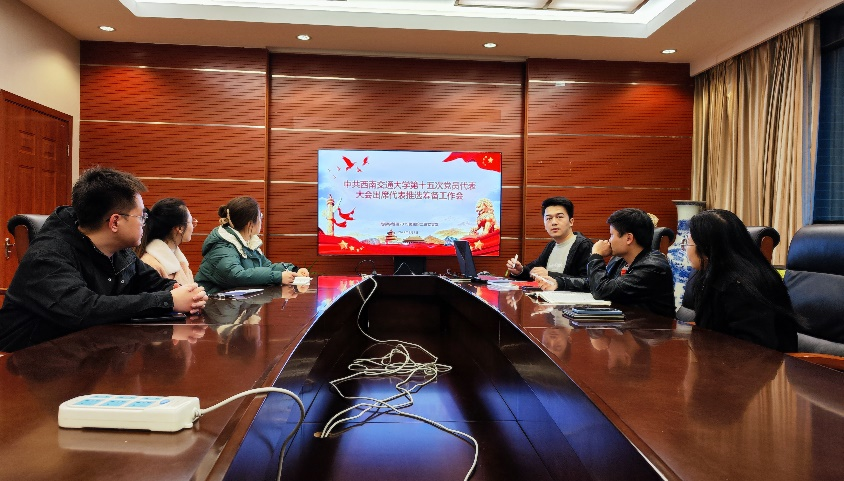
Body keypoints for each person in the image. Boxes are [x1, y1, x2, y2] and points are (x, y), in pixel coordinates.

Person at [0, 167, 208, 352]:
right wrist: (168, 300)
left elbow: (152, 282)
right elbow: (83, 309)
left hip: (89, 353)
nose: (145, 223)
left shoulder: (120, 251)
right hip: (29, 363)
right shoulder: (47, 255)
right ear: (115, 222)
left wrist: (183, 292)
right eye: (141, 217)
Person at [684, 209, 798, 351]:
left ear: (707, 249)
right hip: (721, 358)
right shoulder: (711, 276)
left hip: (766, 363)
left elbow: (754, 351)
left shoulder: (742, 288)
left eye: (688, 243)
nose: (685, 249)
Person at [195, 196, 309, 294]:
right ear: (250, 224)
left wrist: (293, 271)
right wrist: (278, 277)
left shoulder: (248, 242)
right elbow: (235, 276)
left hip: (232, 305)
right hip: (212, 306)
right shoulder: (222, 246)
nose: (261, 220)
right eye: (260, 216)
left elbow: (267, 266)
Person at [588, 208, 675, 317]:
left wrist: (596, 256)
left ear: (629, 238)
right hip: (628, 324)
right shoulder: (621, 260)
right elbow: (596, 282)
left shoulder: (652, 267)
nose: (609, 240)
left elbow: (602, 290)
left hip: (651, 326)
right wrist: (566, 282)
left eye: (612, 235)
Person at [506, 196, 593, 291]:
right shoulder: (551, 246)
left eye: (559, 217)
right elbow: (534, 271)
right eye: (549, 218)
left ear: (571, 221)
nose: (554, 222)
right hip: (547, 298)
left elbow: (591, 282)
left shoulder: (584, 245)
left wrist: (550, 275)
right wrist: (520, 271)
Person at [137, 198, 196, 285]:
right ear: (180, 228)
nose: (194, 225)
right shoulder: (150, 265)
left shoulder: (180, 262)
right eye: (191, 221)